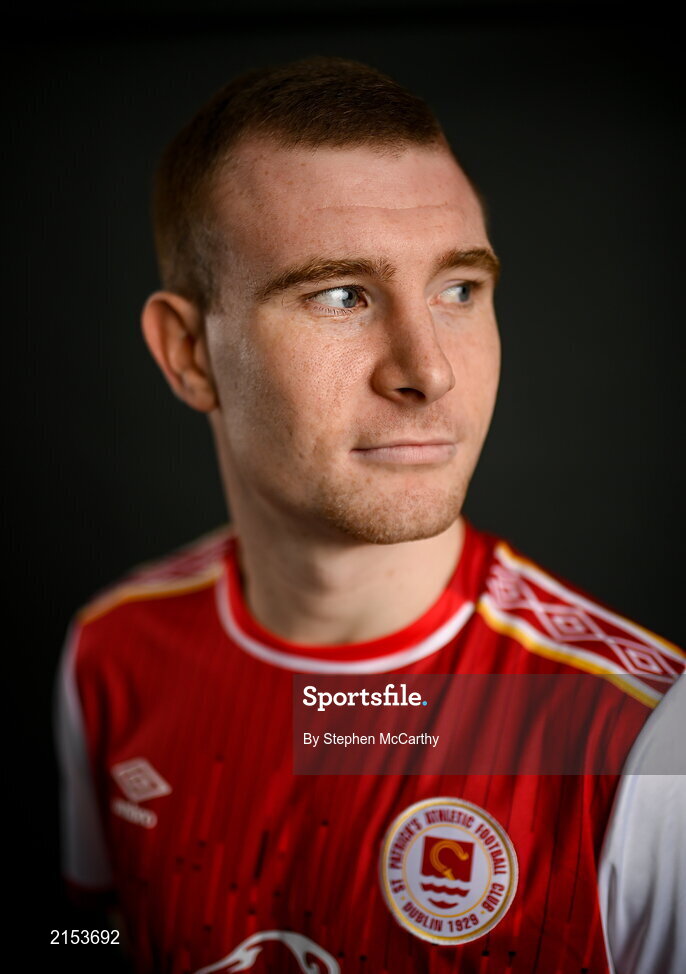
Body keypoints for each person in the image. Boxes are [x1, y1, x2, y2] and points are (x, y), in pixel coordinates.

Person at [55, 57, 685, 974]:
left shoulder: (644, 744)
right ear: (188, 353)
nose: (429, 371)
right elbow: (90, 934)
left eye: (459, 289)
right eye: (342, 295)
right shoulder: (111, 652)